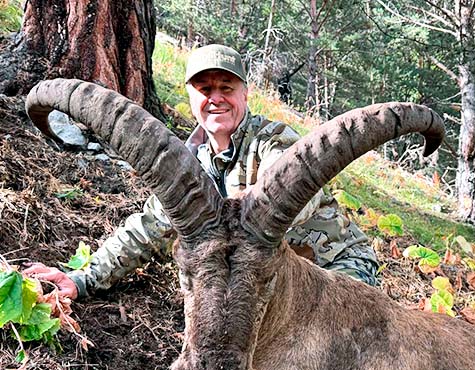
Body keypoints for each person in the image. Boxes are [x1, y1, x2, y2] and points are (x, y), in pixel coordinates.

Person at [25, 44, 380, 299]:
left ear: (245, 94)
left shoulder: (274, 140)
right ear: (191, 97)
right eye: (205, 89)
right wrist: (82, 279)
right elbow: (148, 227)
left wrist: (238, 211)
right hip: (269, 278)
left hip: (334, 267)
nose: (216, 98)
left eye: (226, 88)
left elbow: (295, 192)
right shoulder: (187, 164)